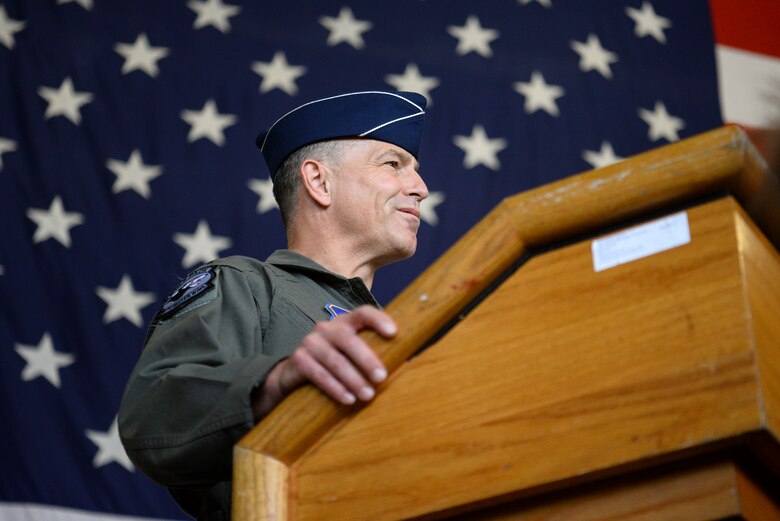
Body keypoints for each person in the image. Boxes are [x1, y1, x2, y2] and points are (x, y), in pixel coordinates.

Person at [118, 90, 430, 521]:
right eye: (393, 164)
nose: (421, 188)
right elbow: (151, 421)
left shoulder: (408, 329)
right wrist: (277, 382)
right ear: (319, 181)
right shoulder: (246, 286)